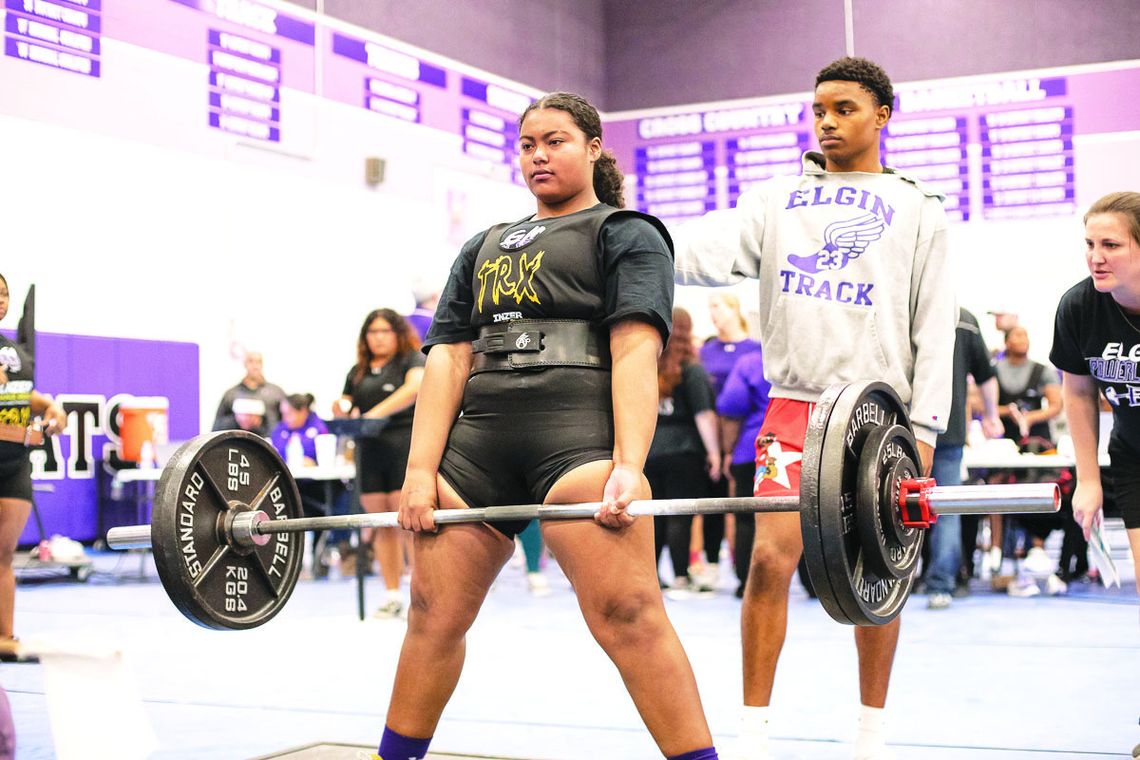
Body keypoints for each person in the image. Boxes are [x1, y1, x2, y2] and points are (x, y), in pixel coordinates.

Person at [380, 92, 718, 760]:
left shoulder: (626, 232)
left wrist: (629, 460)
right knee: (430, 617)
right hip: (475, 449)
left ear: (593, 147)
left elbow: (635, 350)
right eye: (528, 143)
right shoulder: (481, 246)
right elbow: (447, 359)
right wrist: (419, 473)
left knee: (630, 618)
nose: (538, 154)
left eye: (555, 140)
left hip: (579, 440)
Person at [673, 57, 955, 760]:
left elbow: (935, 322)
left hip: (882, 416)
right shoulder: (776, 201)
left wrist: (923, 429)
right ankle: (753, 731)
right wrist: (618, 234)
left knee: (881, 572)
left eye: (845, 109)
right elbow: (698, 254)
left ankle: (870, 732)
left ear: (883, 114)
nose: (827, 121)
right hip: (795, 410)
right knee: (769, 562)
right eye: (818, 109)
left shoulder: (919, 207)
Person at [1050, 191, 1140, 606]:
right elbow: (1079, 392)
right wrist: (1088, 480)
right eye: (1090, 244)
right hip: (1133, 457)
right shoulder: (1078, 308)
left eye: (1111, 245)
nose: (1095, 257)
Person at [334, 309, 425, 618]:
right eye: (372, 332)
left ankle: (420, 593)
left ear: (397, 333)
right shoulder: (357, 371)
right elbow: (347, 402)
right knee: (382, 523)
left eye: (384, 331)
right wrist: (343, 408)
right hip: (369, 450)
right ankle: (391, 593)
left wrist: (376, 414)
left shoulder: (411, 360)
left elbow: (414, 389)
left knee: (410, 524)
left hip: (404, 446)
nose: (378, 338)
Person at [0, 273, 67, 663]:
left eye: (5, 293)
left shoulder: (16, 353)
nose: (1, 299)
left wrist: (55, 410)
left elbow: (31, 398)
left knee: (4, 555)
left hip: (13, 463)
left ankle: (5, 636)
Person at [926, 308, 1001, 610]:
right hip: (946, 428)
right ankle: (941, 585)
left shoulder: (901, 306)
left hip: (903, 428)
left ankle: (896, 581)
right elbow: (987, 375)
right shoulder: (964, 318)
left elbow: (984, 375)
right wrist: (992, 416)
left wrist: (992, 416)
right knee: (945, 509)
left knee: (892, 506)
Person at [647, 307, 721, 596]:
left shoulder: (649, 366)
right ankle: (680, 576)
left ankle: (652, 575)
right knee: (680, 515)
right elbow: (704, 416)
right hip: (684, 452)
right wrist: (714, 453)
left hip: (651, 451)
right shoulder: (692, 370)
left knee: (653, 517)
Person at [695, 293, 760, 592]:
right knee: (712, 503)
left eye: (717, 307)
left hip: (742, 438)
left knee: (744, 511)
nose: (713, 314)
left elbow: (734, 405)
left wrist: (730, 447)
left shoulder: (754, 352)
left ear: (735, 310)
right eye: (709, 308)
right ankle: (710, 565)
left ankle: (744, 570)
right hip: (710, 435)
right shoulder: (706, 351)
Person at [715, 348, 772, 598]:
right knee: (808, 516)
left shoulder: (750, 363)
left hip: (754, 449)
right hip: (802, 450)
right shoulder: (805, 357)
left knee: (746, 519)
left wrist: (728, 451)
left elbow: (730, 409)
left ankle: (744, 582)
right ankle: (812, 583)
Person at [271, 393, 333, 572]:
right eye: (283, 414)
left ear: (303, 411)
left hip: (316, 487)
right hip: (291, 485)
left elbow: (320, 452)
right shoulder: (280, 429)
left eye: (289, 413)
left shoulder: (319, 427)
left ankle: (319, 557)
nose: (285, 418)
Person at [212, 351, 285, 436]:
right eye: (251, 361)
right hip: (238, 445)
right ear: (245, 364)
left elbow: (287, 423)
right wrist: (237, 420)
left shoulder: (276, 393)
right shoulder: (231, 394)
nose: (255, 366)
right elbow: (216, 428)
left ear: (262, 364)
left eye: (258, 362)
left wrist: (262, 422)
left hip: (268, 444)